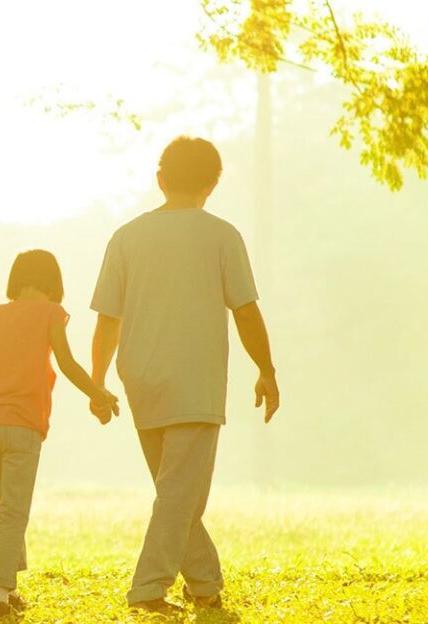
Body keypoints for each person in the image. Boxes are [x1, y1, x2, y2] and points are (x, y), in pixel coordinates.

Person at [89, 136, 281, 614]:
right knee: (180, 493)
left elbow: (107, 319)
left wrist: (97, 381)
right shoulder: (221, 235)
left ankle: (204, 584)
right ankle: (148, 590)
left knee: (175, 493)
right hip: (195, 379)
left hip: (141, 378)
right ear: (213, 185)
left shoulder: (126, 237)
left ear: (160, 180)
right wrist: (267, 369)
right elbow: (246, 311)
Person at [0, 249, 119, 621]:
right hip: (21, 425)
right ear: (55, 282)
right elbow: (66, 362)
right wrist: (97, 392)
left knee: (5, 503)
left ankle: (10, 588)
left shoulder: (0, 314)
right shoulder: (52, 313)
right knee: (14, 512)